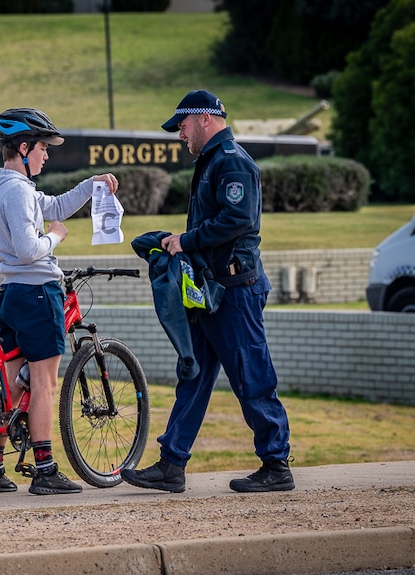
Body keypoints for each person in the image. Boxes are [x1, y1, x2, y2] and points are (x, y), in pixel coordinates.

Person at [122, 90, 294, 494]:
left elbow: (238, 220)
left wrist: (186, 240)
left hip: (234, 292)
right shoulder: (213, 161)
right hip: (213, 291)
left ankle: (276, 465)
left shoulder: (232, 161)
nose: (179, 134)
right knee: (194, 376)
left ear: (203, 118)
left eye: (181, 126)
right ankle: (171, 465)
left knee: (251, 376)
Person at [0, 107, 119, 495]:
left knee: (14, 383)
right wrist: (56, 237)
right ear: (24, 148)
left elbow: (54, 206)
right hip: (38, 292)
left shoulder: (1, 188)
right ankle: (45, 470)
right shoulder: (18, 191)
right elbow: (29, 249)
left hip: (11, 294)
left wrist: (91, 186)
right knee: (43, 383)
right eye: (42, 148)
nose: (46, 155)